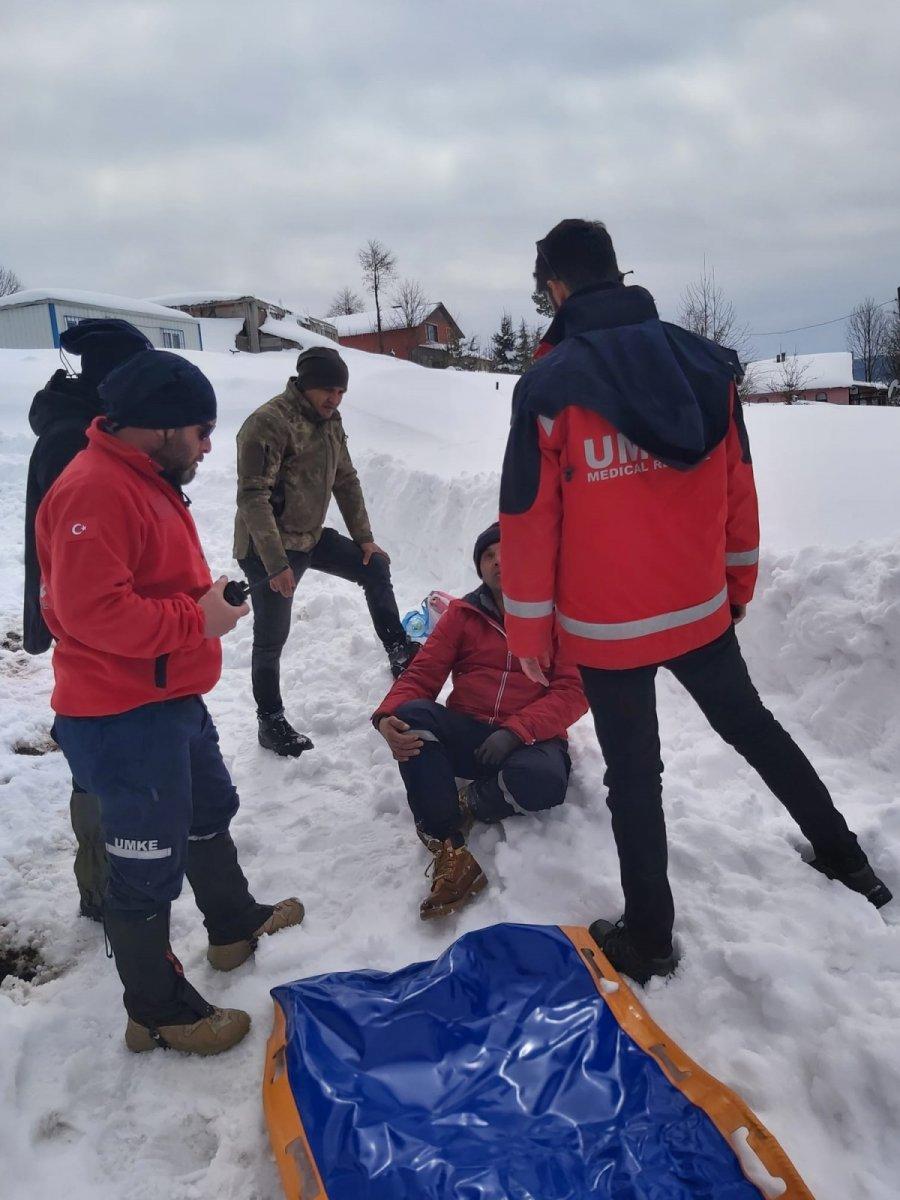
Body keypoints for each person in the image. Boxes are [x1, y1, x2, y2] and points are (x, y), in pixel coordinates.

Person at [499, 218, 892, 984]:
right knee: (756, 730)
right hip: (697, 610)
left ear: (555, 287)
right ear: (617, 274)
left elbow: (526, 520)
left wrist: (528, 630)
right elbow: (738, 488)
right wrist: (736, 585)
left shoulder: (550, 386)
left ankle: (649, 936)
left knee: (634, 778)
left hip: (606, 627)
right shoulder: (704, 366)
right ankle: (848, 860)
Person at [36, 351, 303, 1055]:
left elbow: (140, 583)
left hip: (168, 697)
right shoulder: (95, 489)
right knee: (145, 866)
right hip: (121, 717)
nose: (209, 445)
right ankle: (156, 1011)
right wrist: (198, 621)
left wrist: (199, 600)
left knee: (208, 810)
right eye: (200, 429)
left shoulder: (142, 476)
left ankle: (232, 922)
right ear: (157, 427)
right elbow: (92, 612)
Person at [373, 523, 588, 919]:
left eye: (508, 553)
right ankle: (448, 846)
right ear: (480, 569)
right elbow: (423, 673)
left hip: (530, 740)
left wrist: (516, 730)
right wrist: (387, 715)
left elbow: (573, 692)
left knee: (544, 781)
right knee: (410, 717)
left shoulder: (560, 617)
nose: (498, 561)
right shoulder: (463, 615)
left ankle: (469, 801)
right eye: (489, 556)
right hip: (469, 731)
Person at [24, 318, 153, 921]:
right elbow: (78, 562)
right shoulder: (70, 439)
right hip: (90, 625)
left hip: (104, 618)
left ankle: (116, 880)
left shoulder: (86, 426)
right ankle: (102, 889)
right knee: (93, 751)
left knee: (108, 746)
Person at [234, 346, 418, 757]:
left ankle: (398, 648)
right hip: (268, 545)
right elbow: (252, 498)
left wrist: (364, 537)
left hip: (310, 536)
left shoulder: (330, 421)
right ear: (305, 384)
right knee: (271, 636)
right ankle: (270, 720)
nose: (334, 399)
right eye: (327, 390)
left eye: (340, 391)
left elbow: (346, 480)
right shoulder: (268, 423)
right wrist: (276, 563)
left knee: (374, 567)